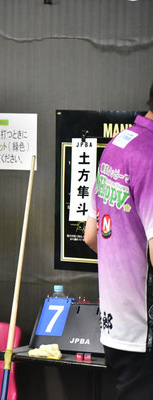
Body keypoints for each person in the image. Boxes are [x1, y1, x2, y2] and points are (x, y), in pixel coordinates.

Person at [84, 81, 153, 399]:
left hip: (117, 326)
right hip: (144, 331)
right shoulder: (150, 156)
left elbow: (91, 235)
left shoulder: (117, 145)